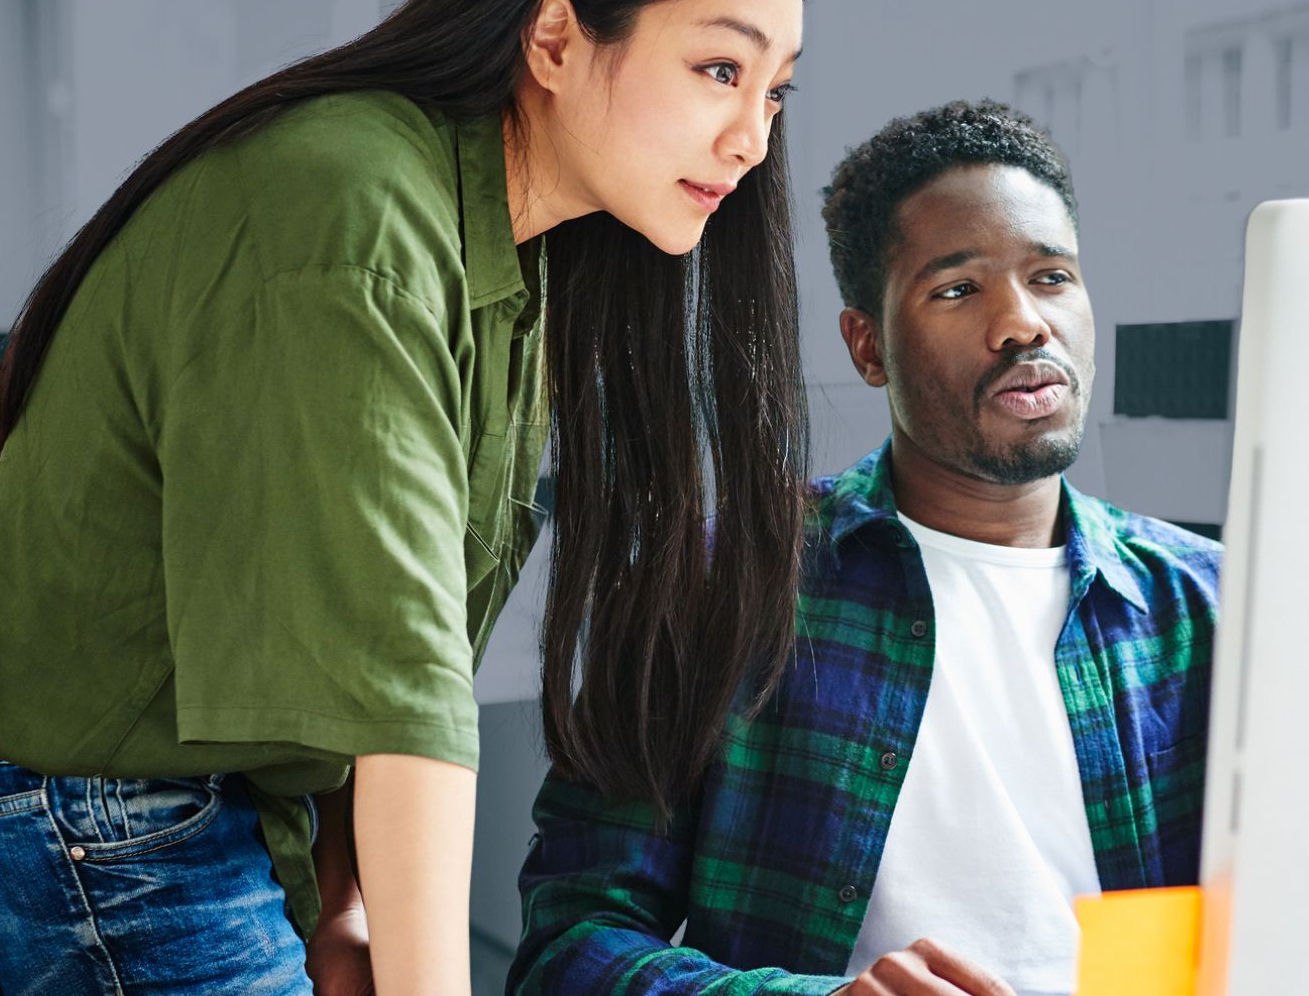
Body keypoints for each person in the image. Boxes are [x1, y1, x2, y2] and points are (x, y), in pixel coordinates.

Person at [0, 0, 814, 995]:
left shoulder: (510, 256)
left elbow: (369, 631)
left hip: (213, 822)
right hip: (108, 830)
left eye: (776, 92)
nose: (750, 138)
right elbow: (405, 697)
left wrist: (344, 901)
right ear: (553, 37)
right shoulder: (350, 213)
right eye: (719, 69)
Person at [510, 100, 1221, 996]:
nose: (1022, 325)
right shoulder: (717, 586)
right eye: (958, 290)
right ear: (867, 345)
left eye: (1051, 278)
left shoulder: (1212, 610)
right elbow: (571, 946)